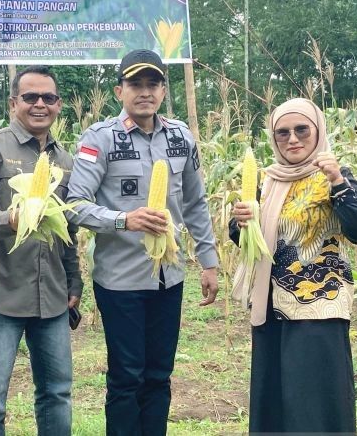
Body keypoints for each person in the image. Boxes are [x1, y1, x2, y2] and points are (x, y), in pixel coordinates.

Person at [67, 49, 219, 435]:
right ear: (120, 91)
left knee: (159, 375)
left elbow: (195, 202)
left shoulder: (181, 137)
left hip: (170, 277)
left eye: (153, 84)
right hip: (121, 282)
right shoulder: (100, 139)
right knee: (127, 376)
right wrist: (124, 219)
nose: (145, 92)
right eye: (136, 84)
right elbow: (74, 205)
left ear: (164, 91)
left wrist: (209, 260)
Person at [230, 97, 357, 434]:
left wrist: (338, 181)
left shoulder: (336, 177)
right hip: (270, 307)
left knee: (313, 401)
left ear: (317, 132)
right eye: (283, 133)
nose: (292, 139)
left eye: (301, 130)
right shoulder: (267, 182)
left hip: (318, 306)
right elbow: (249, 239)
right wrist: (239, 223)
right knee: (275, 399)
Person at [0, 66, 83, 436]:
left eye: (48, 98)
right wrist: (7, 220)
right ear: (14, 103)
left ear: (59, 105)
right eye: (30, 97)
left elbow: (68, 229)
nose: (40, 104)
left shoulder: (66, 160)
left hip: (53, 297)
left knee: (57, 393)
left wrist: (74, 282)